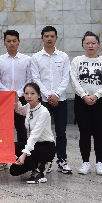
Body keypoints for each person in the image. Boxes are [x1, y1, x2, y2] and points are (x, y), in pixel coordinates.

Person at [70, 31, 102, 176]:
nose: (90, 45)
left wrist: (96, 95)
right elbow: (74, 80)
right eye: (87, 43)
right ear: (83, 45)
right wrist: (84, 95)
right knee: (84, 132)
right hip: (81, 101)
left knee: (99, 132)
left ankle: (100, 163)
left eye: (93, 43)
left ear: (98, 44)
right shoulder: (77, 61)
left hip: (101, 101)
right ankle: (85, 162)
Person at [31, 26, 72, 174]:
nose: (49, 39)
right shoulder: (36, 57)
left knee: (61, 132)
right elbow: (36, 78)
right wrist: (48, 95)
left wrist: (56, 94)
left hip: (61, 100)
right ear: (42, 38)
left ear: (56, 38)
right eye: (46, 36)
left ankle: (62, 160)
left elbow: (66, 77)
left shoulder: (63, 57)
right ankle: (45, 161)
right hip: (43, 101)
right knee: (43, 132)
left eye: (52, 36)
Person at [0, 29, 32, 171]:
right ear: (4, 43)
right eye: (8, 41)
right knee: (5, 130)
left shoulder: (26, 60)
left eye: (14, 41)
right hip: (4, 99)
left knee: (22, 128)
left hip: (22, 98)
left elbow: (29, 78)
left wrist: (17, 93)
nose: (11, 43)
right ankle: (3, 159)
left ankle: (21, 157)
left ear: (18, 42)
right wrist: (8, 93)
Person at [10, 82, 57, 184]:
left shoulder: (43, 112)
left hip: (46, 147)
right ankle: (40, 164)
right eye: (26, 93)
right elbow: (19, 110)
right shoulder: (28, 106)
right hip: (34, 146)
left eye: (32, 93)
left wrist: (23, 155)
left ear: (39, 95)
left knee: (15, 147)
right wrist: (16, 99)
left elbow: (34, 136)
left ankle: (38, 173)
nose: (29, 96)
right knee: (14, 170)